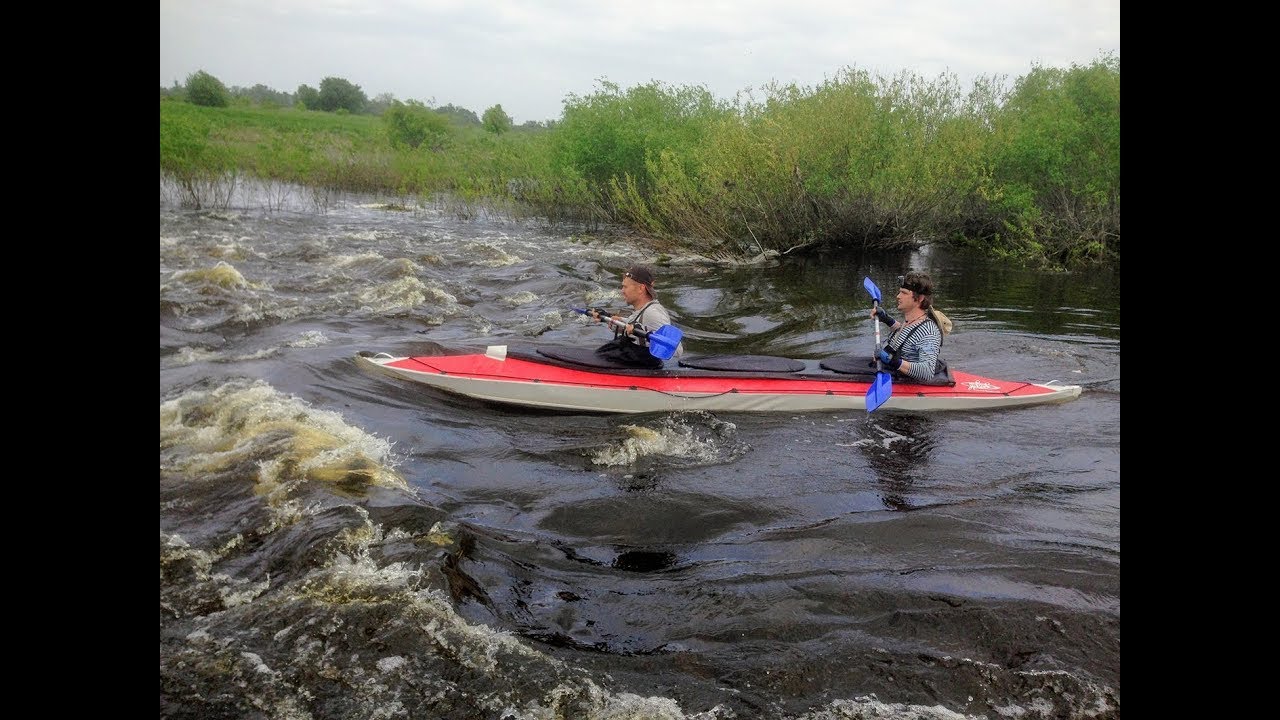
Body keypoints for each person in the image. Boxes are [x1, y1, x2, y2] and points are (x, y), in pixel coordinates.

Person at [589, 265, 684, 368]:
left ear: (640, 288)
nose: (622, 291)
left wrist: (644, 333)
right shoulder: (641, 310)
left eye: (625, 287)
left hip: (646, 369)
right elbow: (633, 327)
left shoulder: (653, 313)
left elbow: (677, 351)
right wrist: (607, 318)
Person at [869, 271, 954, 384]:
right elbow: (907, 335)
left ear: (920, 298)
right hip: (892, 371)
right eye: (900, 292)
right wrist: (886, 319)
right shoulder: (912, 321)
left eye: (904, 293)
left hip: (908, 382)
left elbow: (927, 372)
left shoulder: (929, 332)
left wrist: (891, 360)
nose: (898, 296)